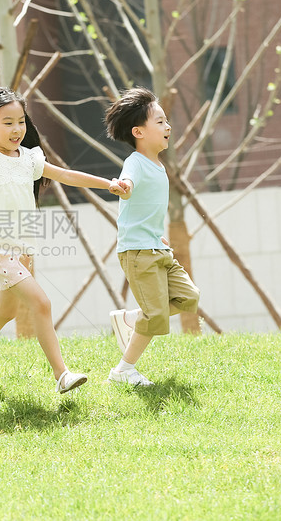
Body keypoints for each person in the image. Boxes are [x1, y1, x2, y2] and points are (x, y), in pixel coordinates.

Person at [0, 80, 129, 394]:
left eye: (20, 121)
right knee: (42, 303)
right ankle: (61, 374)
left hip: (17, 249)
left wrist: (109, 184)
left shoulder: (29, 159)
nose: (16, 128)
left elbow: (64, 175)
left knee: (5, 313)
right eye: (7, 123)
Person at [105, 87, 200, 386]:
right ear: (139, 132)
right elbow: (128, 181)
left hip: (157, 249)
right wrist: (124, 186)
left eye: (166, 120)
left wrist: (158, 236)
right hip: (137, 253)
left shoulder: (159, 166)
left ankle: (132, 318)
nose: (168, 126)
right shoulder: (135, 161)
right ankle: (123, 371)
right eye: (159, 122)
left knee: (189, 297)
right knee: (157, 315)